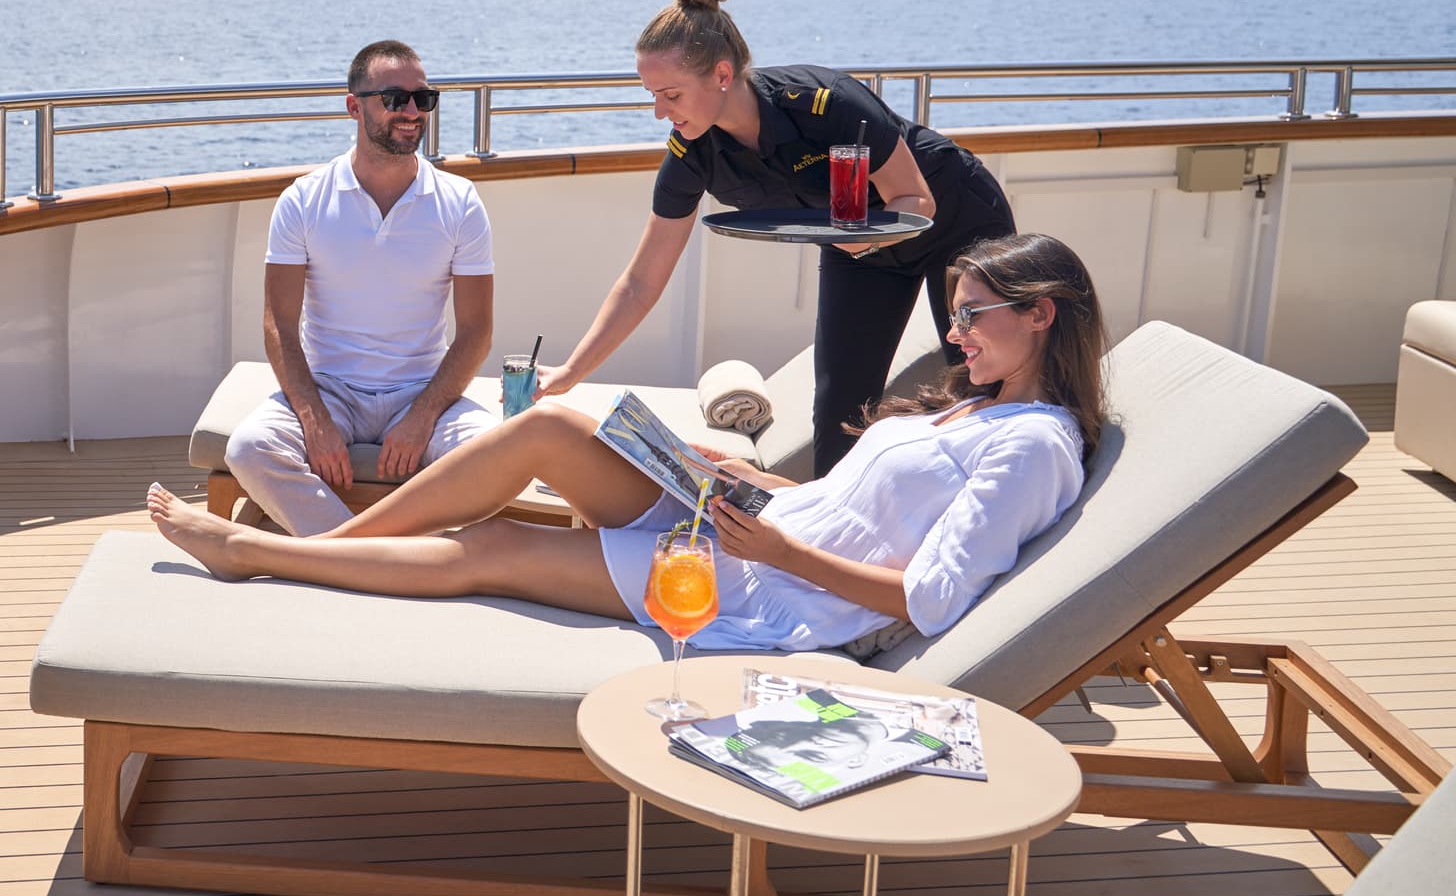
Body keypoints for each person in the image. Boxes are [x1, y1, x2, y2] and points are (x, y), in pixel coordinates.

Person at [151, 234, 1105, 654]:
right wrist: (742, 477)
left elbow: (934, 599)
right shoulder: (978, 411)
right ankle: (326, 551)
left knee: (493, 547)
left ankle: (267, 554)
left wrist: (777, 550)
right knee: (549, 425)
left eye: (973, 315)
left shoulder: (1033, 448)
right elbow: (854, 506)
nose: (955, 335)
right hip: (751, 522)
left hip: (769, 589)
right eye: (955, 315)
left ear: (1042, 314)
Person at [533, 0, 1017, 478]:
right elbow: (640, 283)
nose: (659, 112)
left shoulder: (826, 103)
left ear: (722, 75)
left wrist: (859, 242)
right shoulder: (692, 153)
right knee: (841, 408)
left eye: (670, 94)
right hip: (854, 240)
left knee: (980, 379)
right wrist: (569, 373)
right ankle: (828, 519)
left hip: (954, 220)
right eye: (652, 95)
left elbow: (916, 199)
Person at [221, 39, 497, 535]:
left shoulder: (460, 202)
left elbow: (476, 331)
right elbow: (279, 323)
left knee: (495, 459)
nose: (412, 112)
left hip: (423, 390)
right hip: (329, 389)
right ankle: (371, 554)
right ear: (354, 106)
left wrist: (423, 416)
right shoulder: (303, 200)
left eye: (423, 99)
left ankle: (343, 551)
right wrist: (313, 418)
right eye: (395, 99)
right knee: (248, 450)